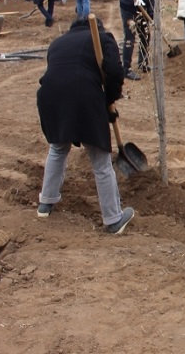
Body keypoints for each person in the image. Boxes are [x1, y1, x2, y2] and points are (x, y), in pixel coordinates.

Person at [35, 16, 136, 234]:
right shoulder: (102, 38)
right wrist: (108, 100)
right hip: (82, 95)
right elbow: (115, 72)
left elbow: (62, 73)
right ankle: (113, 219)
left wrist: (104, 105)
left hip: (49, 97)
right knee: (100, 159)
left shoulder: (58, 42)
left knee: (58, 147)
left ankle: (46, 203)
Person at [119, 0, 156, 80]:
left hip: (142, 9)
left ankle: (143, 63)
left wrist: (151, 15)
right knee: (130, 36)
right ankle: (126, 69)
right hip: (129, 6)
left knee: (145, 35)